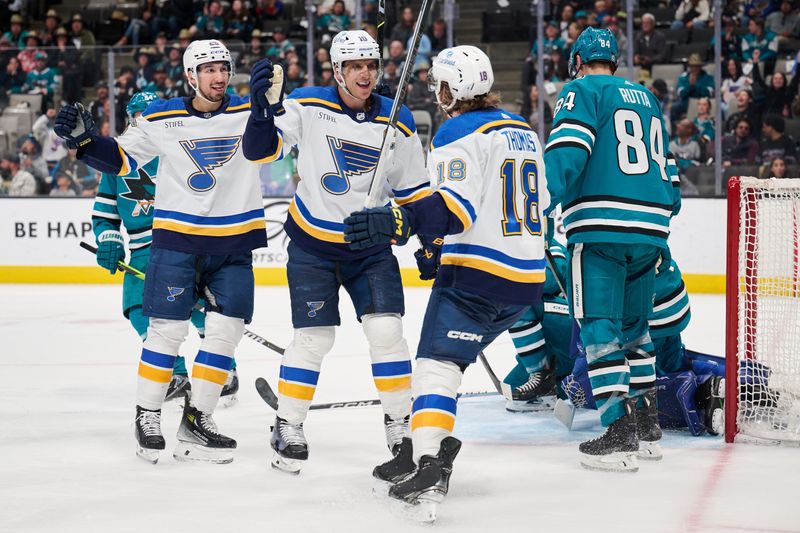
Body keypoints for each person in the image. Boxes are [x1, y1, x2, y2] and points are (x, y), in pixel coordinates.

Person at [345, 45, 548, 519]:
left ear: (451, 88)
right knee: (449, 362)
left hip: (477, 277)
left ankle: (431, 462)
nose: (434, 93)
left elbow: (456, 207)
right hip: (523, 284)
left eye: (439, 84)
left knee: (438, 366)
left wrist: (398, 221)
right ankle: (416, 451)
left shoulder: (458, 129)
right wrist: (437, 245)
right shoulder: (523, 130)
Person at [54, 39, 279, 464]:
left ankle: (199, 419)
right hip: (177, 242)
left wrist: (266, 109)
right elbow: (121, 161)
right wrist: (87, 142)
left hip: (234, 243)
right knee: (165, 331)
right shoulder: (161, 117)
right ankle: (148, 415)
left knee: (224, 334)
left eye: (223, 68)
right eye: (207, 69)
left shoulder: (250, 112)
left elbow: (266, 150)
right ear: (191, 76)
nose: (217, 77)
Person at [242, 30, 429, 475]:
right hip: (313, 246)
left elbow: (416, 193)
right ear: (338, 71)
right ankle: (287, 423)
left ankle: (400, 423)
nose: (365, 74)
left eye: (371, 65)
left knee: (387, 332)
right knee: (315, 338)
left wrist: (430, 241)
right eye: (355, 66)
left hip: (370, 248)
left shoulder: (397, 117)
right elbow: (258, 152)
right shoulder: (307, 105)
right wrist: (261, 113)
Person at [542, 27, 680, 472]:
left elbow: (567, 152)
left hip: (601, 229)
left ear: (577, 60)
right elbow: (670, 173)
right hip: (651, 231)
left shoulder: (579, 90)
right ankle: (647, 428)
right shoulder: (647, 97)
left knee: (599, 327)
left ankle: (618, 432)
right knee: (636, 328)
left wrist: (537, 203)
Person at [501, 242, 572, 411]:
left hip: (573, 319)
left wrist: (504, 280)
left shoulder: (549, 244)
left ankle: (541, 375)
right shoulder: (512, 248)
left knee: (518, 301)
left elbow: (553, 278)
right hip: (559, 332)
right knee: (512, 387)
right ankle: (553, 382)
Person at [672, 53, 715, 123]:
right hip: (687, 102)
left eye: (697, 66)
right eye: (692, 66)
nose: (694, 68)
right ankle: (675, 130)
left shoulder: (708, 77)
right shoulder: (683, 77)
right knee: (674, 107)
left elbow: (709, 93)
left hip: (702, 102)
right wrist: (690, 86)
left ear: (700, 67)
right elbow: (681, 94)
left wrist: (696, 85)